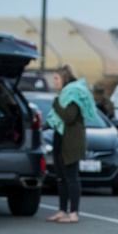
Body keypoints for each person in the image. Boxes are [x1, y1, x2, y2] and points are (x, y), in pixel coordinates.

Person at [45, 64, 92, 224]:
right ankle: (62, 210)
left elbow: (69, 116)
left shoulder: (73, 95)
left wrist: (56, 104)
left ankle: (73, 213)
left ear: (64, 79)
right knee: (61, 178)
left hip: (71, 142)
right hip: (60, 139)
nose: (54, 81)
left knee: (71, 177)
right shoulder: (64, 95)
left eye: (56, 78)